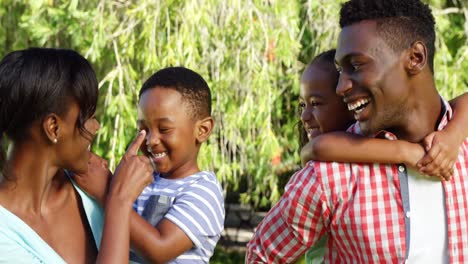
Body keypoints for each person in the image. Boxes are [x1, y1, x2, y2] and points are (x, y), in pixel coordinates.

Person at [246, 0, 468, 263]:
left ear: (415, 58)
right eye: (341, 70)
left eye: (357, 65)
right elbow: (260, 257)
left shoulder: (461, 140)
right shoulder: (330, 175)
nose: (340, 87)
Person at [0, 48, 153, 263]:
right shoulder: (4, 237)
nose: (96, 126)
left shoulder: (90, 185)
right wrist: (118, 202)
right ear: (53, 127)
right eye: (87, 116)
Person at [76, 66, 225, 263]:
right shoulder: (141, 181)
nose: (151, 139)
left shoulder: (203, 191)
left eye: (164, 129)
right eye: (144, 129)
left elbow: (160, 249)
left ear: (203, 130)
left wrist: (107, 193)